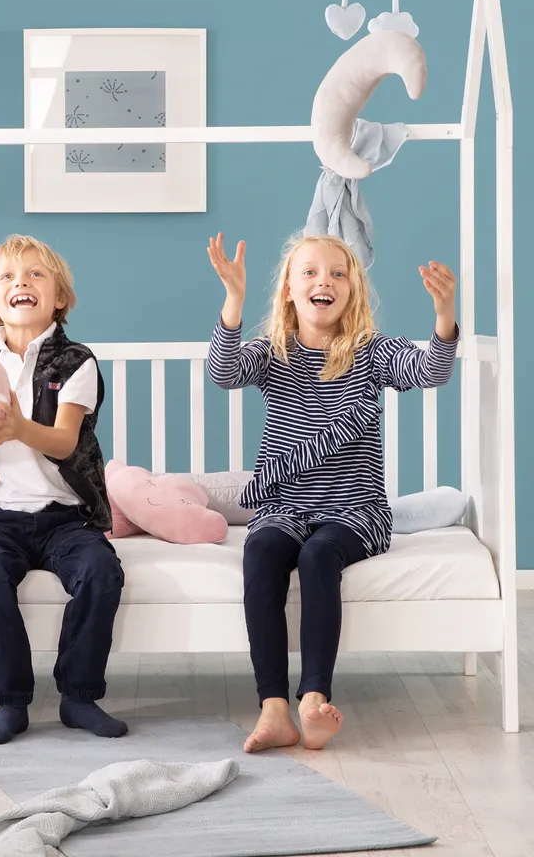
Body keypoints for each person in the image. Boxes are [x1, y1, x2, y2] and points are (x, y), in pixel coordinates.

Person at [206, 231, 458, 753]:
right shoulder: (273, 354)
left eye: (338, 273)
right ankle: (273, 707)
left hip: (355, 509)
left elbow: (431, 369)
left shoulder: (372, 352)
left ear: (353, 290)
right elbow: (222, 372)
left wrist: (443, 314)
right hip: (285, 506)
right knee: (261, 550)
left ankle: (313, 700)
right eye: (310, 272)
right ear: (289, 291)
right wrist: (233, 299)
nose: (325, 281)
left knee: (319, 556)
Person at [0, 234, 126, 745]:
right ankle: (10, 701)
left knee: (101, 572)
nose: (21, 282)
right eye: (8, 277)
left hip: (65, 515)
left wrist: (20, 427)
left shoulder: (76, 361)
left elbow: (65, 442)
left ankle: (79, 696)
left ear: (59, 297)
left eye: (35, 274)